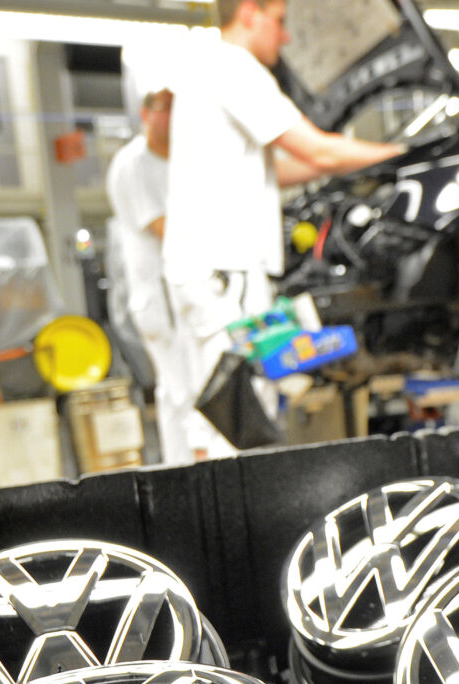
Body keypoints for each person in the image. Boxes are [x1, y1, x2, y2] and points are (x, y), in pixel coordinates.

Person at [162, 0, 404, 459]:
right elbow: (318, 150)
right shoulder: (234, 67)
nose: (286, 36)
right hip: (225, 271)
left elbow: (282, 169)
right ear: (249, 12)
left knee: (219, 414)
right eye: (279, 21)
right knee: (237, 419)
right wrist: (404, 154)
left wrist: (336, 164)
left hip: (209, 268)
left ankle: (221, 501)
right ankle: (233, 506)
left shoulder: (204, 68)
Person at [105, 88, 185, 461]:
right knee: (179, 388)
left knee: (190, 385)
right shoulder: (133, 163)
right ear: (146, 113)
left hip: (179, 292)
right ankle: (187, 467)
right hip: (159, 296)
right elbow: (163, 228)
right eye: (164, 108)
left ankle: (195, 462)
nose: (171, 117)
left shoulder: (177, 160)